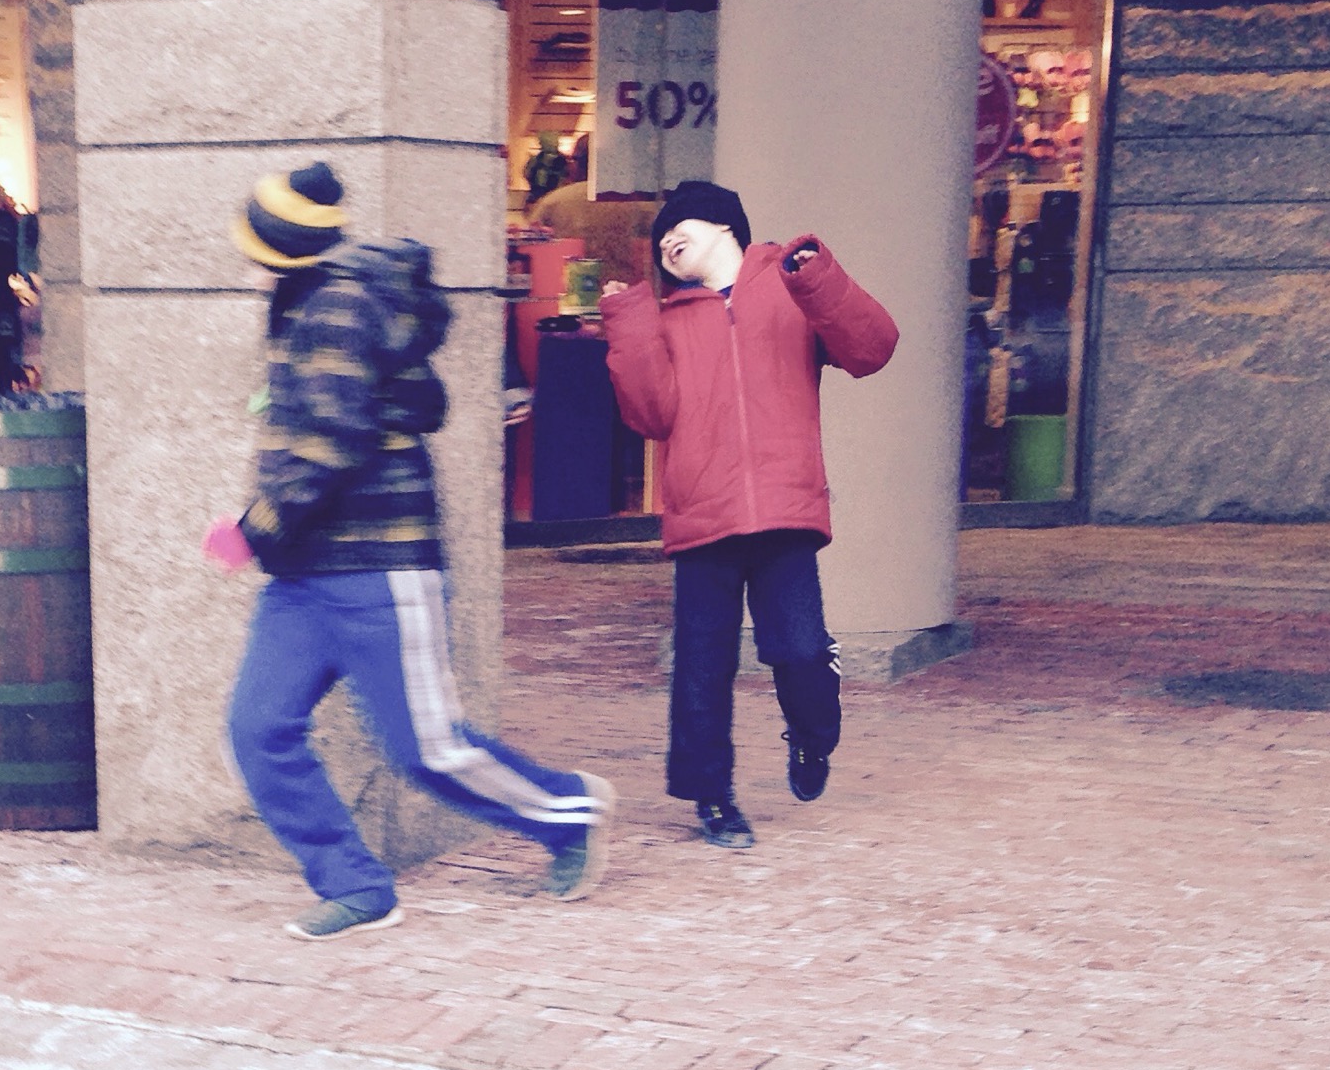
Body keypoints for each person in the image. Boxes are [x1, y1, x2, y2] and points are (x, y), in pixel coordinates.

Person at [210, 161, 613, 940]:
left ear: (280, 251)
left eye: (254, 250)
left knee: (428, 749)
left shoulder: (337, 308)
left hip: (380, 568)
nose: (247, 264)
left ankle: (570, 811)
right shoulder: (306, 303)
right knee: (259, 729)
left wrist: (251, 528)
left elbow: (330, 442)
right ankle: (356, 886)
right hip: (305, 574)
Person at [600, 177, 897, 850]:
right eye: (660, 240)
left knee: (801, 650)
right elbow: (650, 416)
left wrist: (818, 278)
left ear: (724, 227)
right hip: (703, 517)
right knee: (702, 667)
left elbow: (873, 349)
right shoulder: (667, 320)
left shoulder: (791, 289)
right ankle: (712, 797)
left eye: (679, 229)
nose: (666, 242)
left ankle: (813, 736)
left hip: (785, 510)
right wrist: (628, 322)